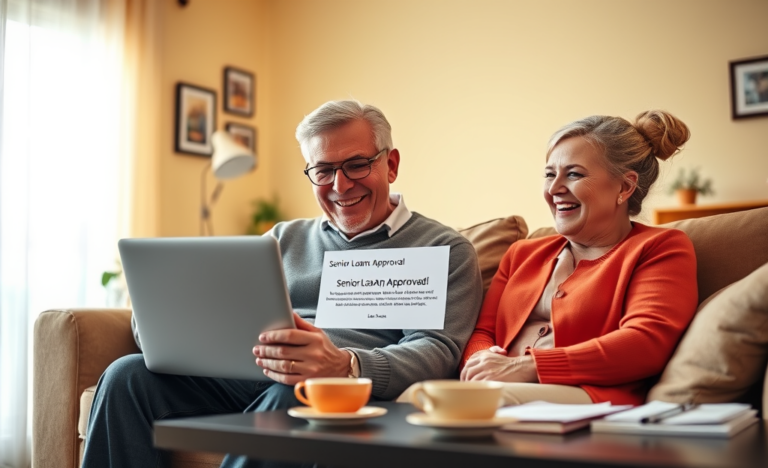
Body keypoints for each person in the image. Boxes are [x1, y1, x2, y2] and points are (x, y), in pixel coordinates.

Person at [81, 100, 483, 468]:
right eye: (323, 170)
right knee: (126, 376)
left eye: (357, 165)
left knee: (294, 396)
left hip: (339, 390)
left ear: (390, 165)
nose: (340, 186)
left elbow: (437, 350)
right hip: (249, 376)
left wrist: (345, 364)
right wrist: (160, 321)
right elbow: (206, 313)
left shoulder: (445, 248)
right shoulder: (282, 239)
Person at [459, 110, 698, 406]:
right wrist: (481, 359)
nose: (554, 189)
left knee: (480, 403)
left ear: (625, 187)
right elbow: (484, 331)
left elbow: (646, 342)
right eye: (549, 174)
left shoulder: (660, 247)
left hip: (591, 396)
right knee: (416, 396)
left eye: (573, 174)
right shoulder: (522, 253)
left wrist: (525, 367)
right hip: (501, 388)